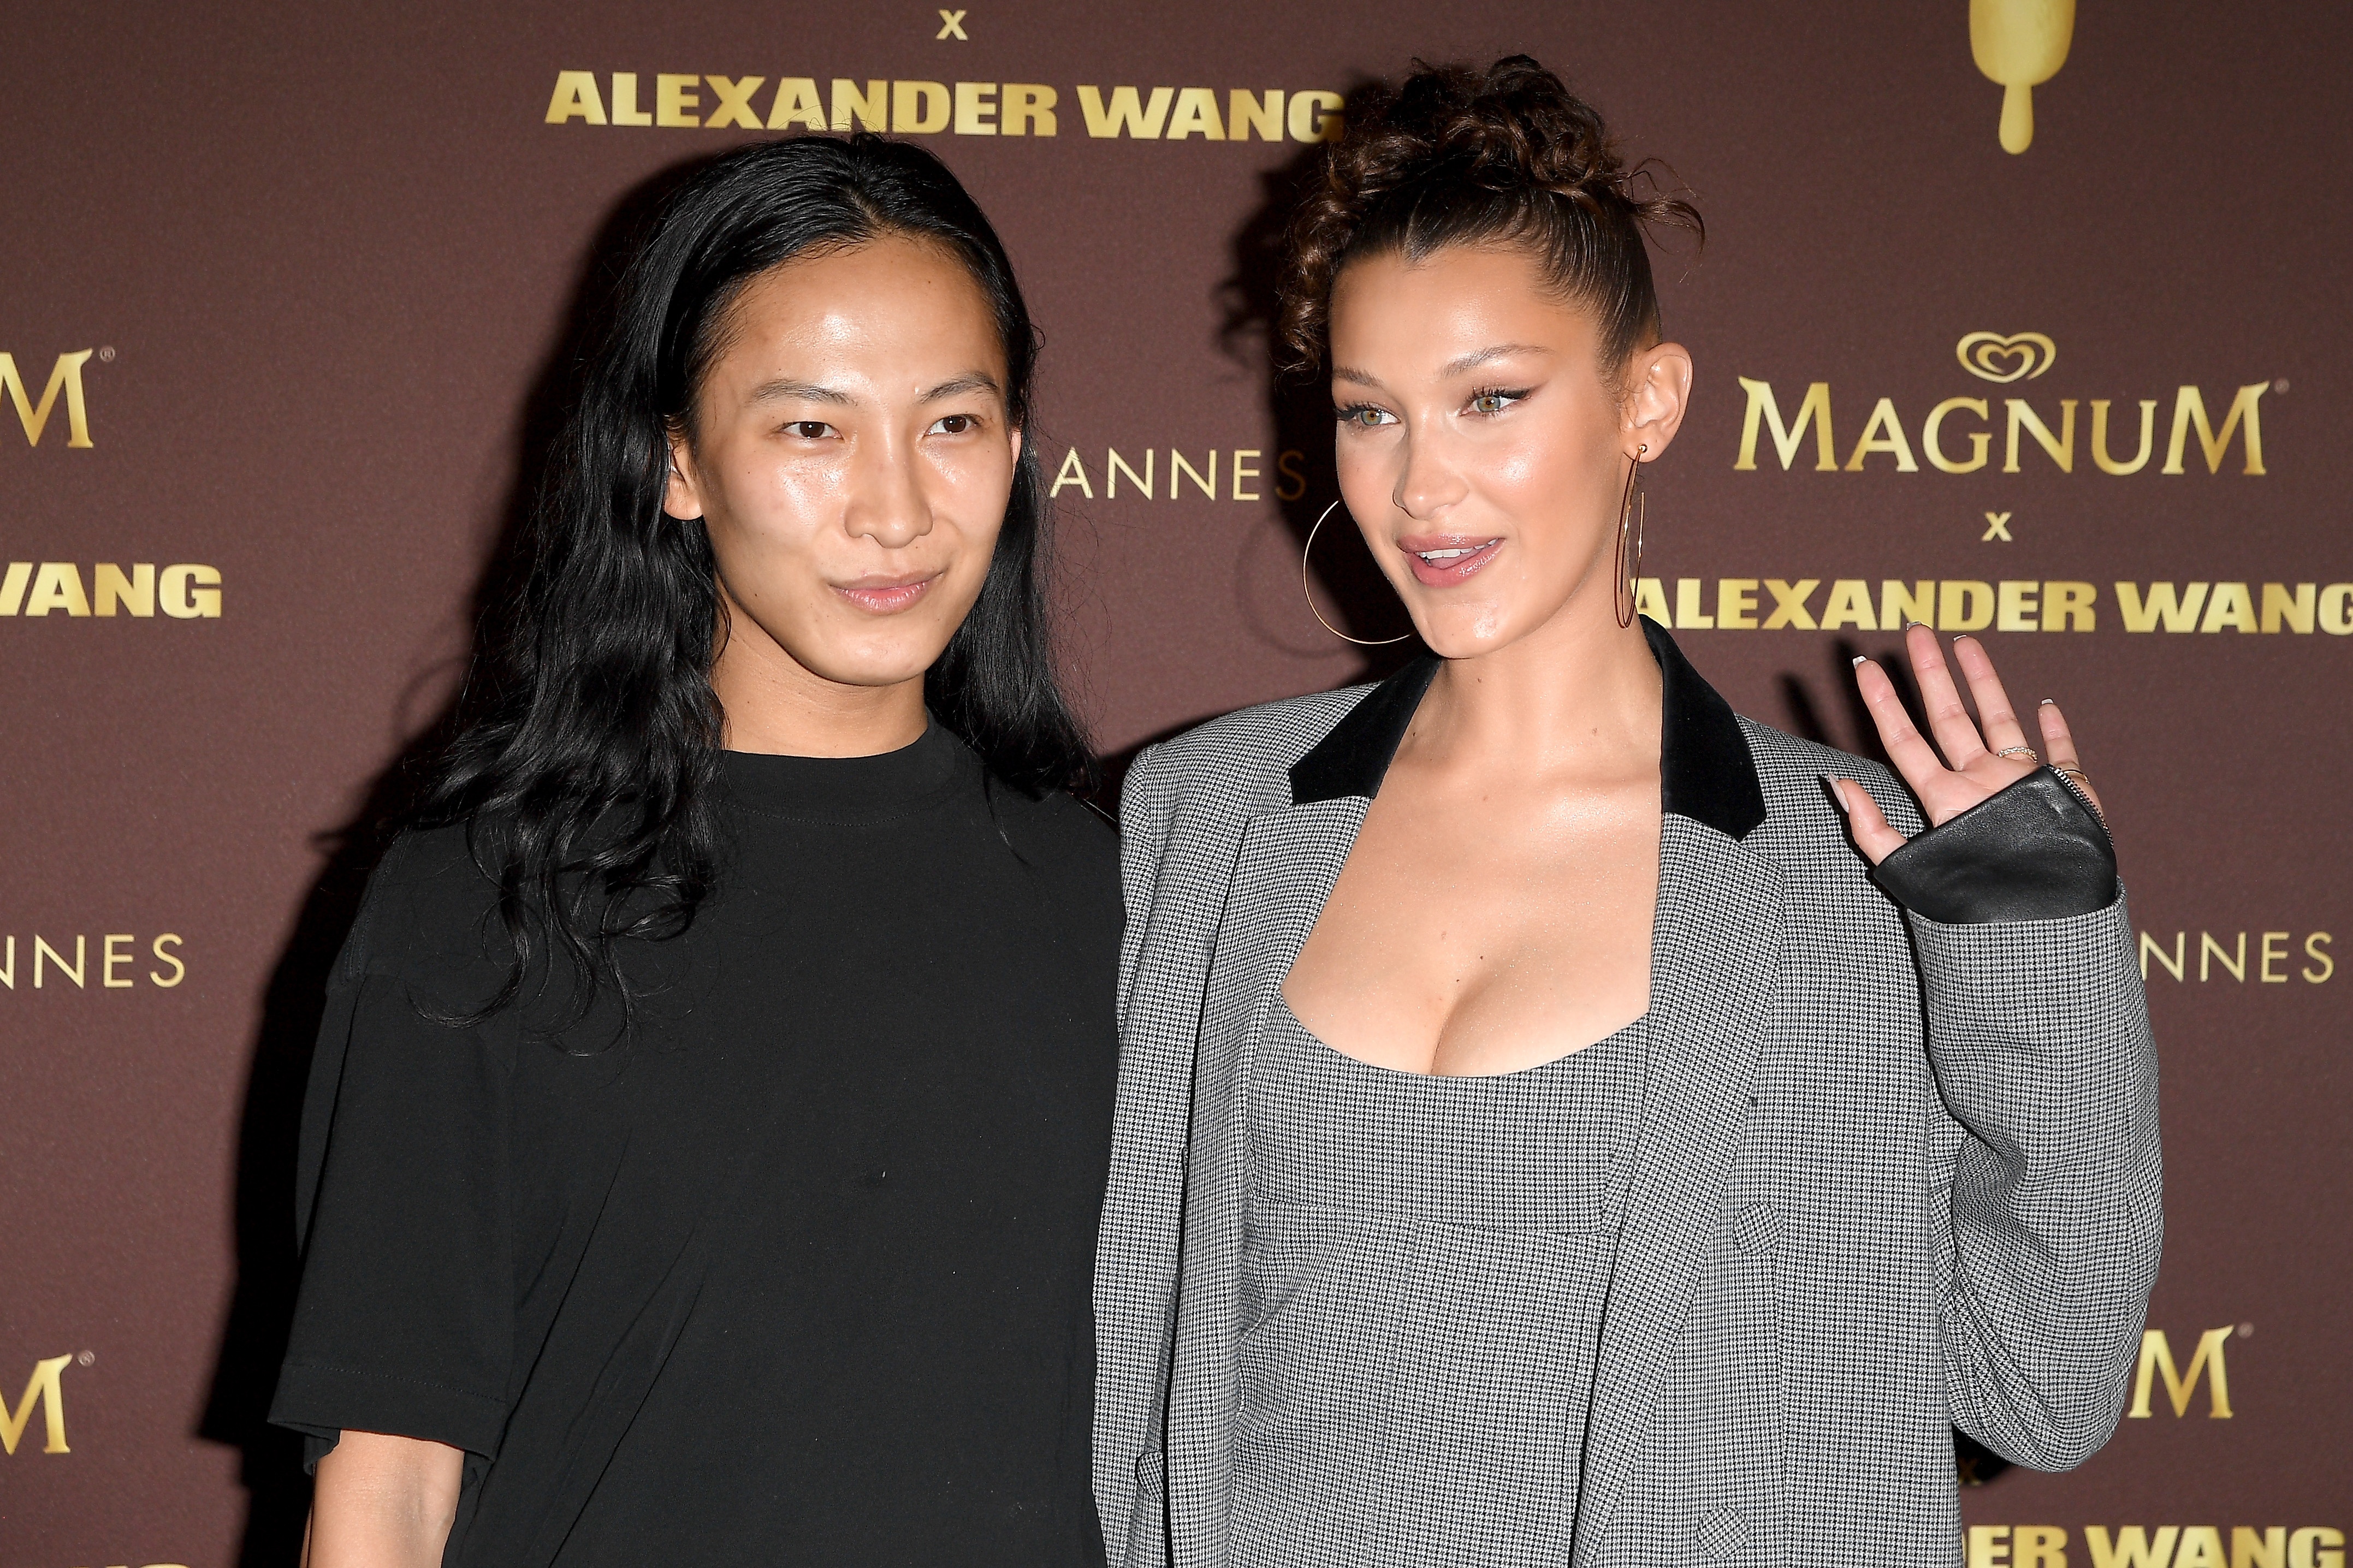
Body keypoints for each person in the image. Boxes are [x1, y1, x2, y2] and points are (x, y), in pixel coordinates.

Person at [1094, 57, 2159, 1567]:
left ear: (1646, 401)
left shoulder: (1850, 860)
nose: (1421, 486)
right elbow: (1129, 1345)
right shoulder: (1204, 815)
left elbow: (2043, 1387)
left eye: (1492, 399)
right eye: (1369, 414)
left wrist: (2040, 947)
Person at [270, 135, 1116, 1567]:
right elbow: (390, 1479)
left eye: (954, 423)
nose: (895, 507)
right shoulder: (486, 896)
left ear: (1019, 449)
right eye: (810, 429)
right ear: (675, 461)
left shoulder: (1112, 894)